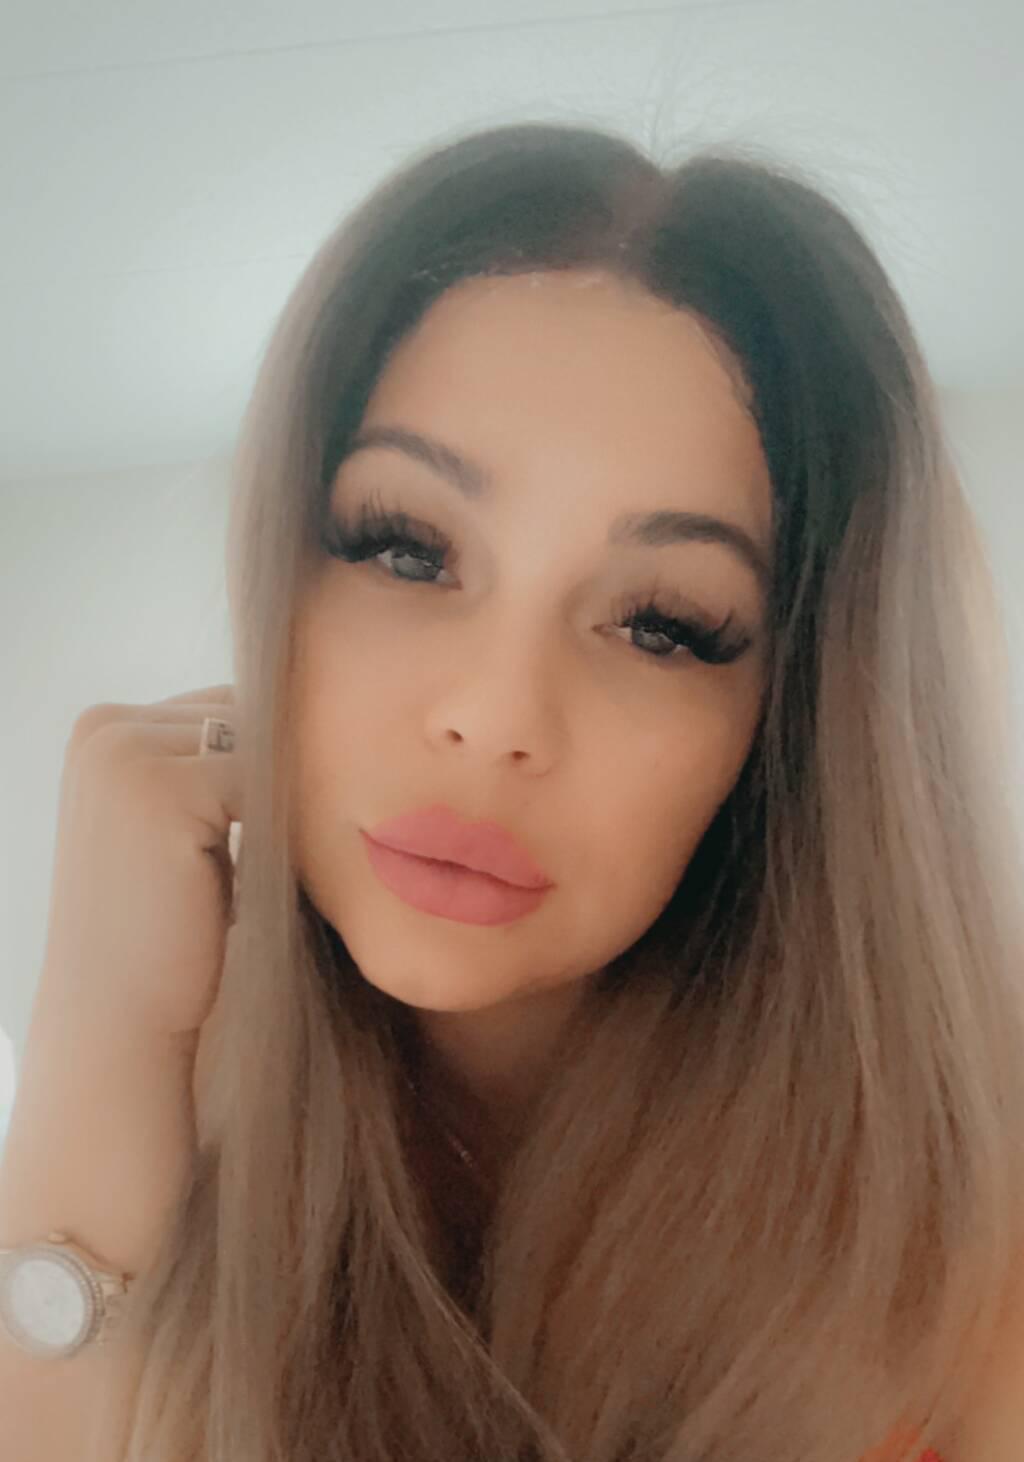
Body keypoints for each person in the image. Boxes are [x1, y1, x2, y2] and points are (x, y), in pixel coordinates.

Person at [3, 121, 1024, 1462]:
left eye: (662, 624)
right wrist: (98, 1033)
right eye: (407, 549)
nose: (493, 717)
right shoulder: (168, 1121)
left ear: (790, 723)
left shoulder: (966, 1214)